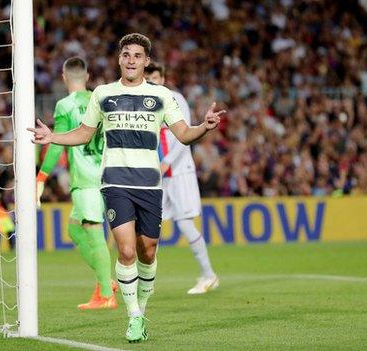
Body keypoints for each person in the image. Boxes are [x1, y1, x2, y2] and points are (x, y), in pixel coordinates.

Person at [28, 33, 225, 343]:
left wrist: (205, 126)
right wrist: (52, 137)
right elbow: (83, 133)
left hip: (149, 184)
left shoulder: (160, 95)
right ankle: (133, 316)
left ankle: (142, 308)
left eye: (137, 55)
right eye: (126, 55)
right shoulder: (103, 94)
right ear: (119, 59)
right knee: (127, 249)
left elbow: (184, 135)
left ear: (146, 61)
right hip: (114, 183)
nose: (131, 60)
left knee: (148, 251)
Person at [36, 57, 117, 310]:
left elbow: (55, 142)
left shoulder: (65, 105)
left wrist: (41, 177)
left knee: (94, 234)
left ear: (63, 77)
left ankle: (106, 293)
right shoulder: (101, 100)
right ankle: (106, 282)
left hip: (86, 181)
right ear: (88, 76)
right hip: (107, 175)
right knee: (73, 229)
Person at [144, 62, 219, 294]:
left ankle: (208, 275)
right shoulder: (144, 104)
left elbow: (184, 135)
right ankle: (146, 282)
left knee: (185, 223)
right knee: (150, 228)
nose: (153, 82)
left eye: (156, 78)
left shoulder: (175, 98)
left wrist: (166, 162)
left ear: (163, 78)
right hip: (156, 174)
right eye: (149, 79)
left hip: (178, 172)